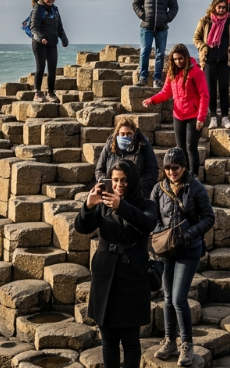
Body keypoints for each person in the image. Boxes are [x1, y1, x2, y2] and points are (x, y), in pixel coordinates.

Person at [74, 161, 158, 368]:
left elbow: (147, 223)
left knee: (130, 340)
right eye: (116, 180)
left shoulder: (145, 204)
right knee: (108, 339)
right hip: (105, 275)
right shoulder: (102, 204)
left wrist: (121, 206)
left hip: (132, 277)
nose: (119, 184)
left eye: (124, 180)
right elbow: (81, 227)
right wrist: (88, 205)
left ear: (133, 181)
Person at [151, 148, 216, 366]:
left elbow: (208, 218)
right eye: (167, 168)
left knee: (179, 298)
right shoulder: (158, 189)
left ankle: (186, 344)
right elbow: (153, 216)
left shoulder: (195, 188)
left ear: (184, 167)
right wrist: (162, 233)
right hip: (167, 249)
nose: (171, 172)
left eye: (175, 168)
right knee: (167, 297)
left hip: (188, 249)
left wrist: (186, 236)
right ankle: (170, 340)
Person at [142, 44, 209, 175]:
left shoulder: (196, 72)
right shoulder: (172, 73)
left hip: (194, 116)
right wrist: (152, 100)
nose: (178, 62)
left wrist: (201, 117)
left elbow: (204, 95)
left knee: (191, 147)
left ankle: (193, 177)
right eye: (175, 59)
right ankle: (184, 175)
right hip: (178, 115)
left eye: (180, 58)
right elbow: (166, 92)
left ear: (186, 57)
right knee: (181, 148)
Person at [193, 0, 230, 130]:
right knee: (210, 90)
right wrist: (203, 47)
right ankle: (213, 117)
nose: (221, 10)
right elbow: (196, 38)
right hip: (209, 60)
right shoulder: (205, 21)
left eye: (224, 7)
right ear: (214, 7)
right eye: (219, 7)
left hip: (225, 61)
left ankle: (225, 118)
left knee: (224, 90)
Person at [132, 0, 179, 88]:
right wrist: (142, 15)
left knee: (160, 54)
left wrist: (167, 18)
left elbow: (175, 7)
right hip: (146, 27)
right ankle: (143, 78)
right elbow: (135, 3)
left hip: (162, 28)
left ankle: (157, 79)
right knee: (145, 51)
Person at [94, 117, 160, 198]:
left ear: (134, 134)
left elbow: (153, 170)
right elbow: (99, 170)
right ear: (118, 134)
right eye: (122, 134)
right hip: (112, 193)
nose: (125, 136)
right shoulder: (110, 146)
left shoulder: (143, 146)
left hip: (137, 196)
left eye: (129, 134)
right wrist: (108, 184)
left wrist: (137, 186)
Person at [29, 0, 69, 103]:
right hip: (39, 43)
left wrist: (64, 39)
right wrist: (41, 38)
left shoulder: (55, 10)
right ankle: (37, 93)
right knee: (40, 68)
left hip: (52, 43)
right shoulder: (38, 9)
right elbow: (34, 27)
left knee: (52, 69)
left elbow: (59, 27)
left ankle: (51, 93)